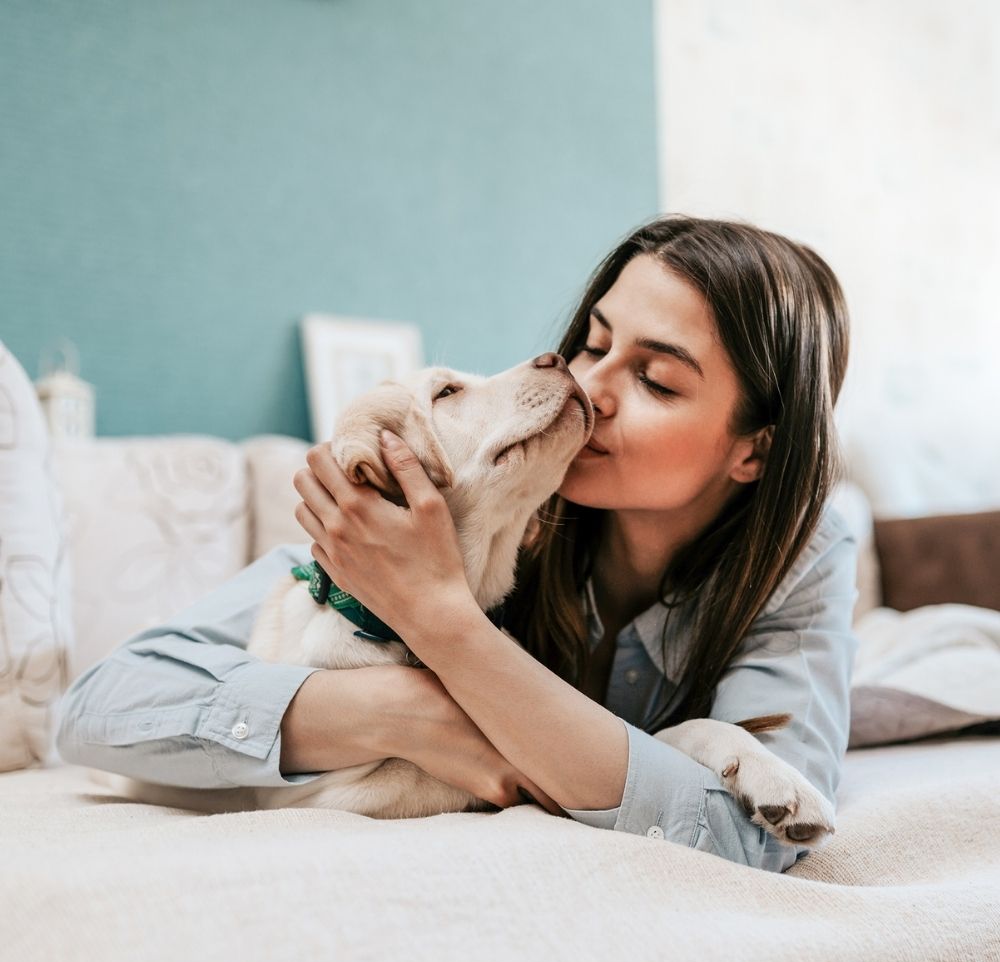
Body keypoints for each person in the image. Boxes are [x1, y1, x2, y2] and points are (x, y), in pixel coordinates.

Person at [54, 215, 858, 874]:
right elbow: (99, 707)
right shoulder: (475, 505)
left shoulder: (802, 557)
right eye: (594, 342)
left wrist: (444, 623)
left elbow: (755, 838)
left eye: (656, 380)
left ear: (755, 450)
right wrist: (405, 712)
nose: (590, 385)